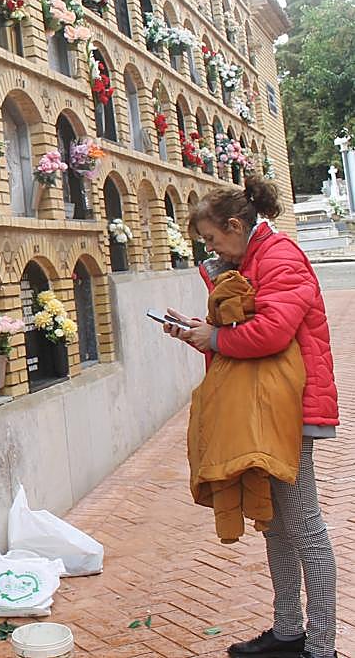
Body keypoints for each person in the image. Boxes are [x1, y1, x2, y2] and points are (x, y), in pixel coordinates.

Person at [164, 177, 339, 658]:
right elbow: (246, 333)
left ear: (236, 226)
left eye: (212, 239)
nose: (210, 249)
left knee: (305, 528)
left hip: (288, 409)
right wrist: (202, 333)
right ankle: (289, 631)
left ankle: (321, 646)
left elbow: (272, 333)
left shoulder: (280, 257)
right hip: (266, 407)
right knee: (277, 525)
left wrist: (216, 338)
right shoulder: (254, 259)